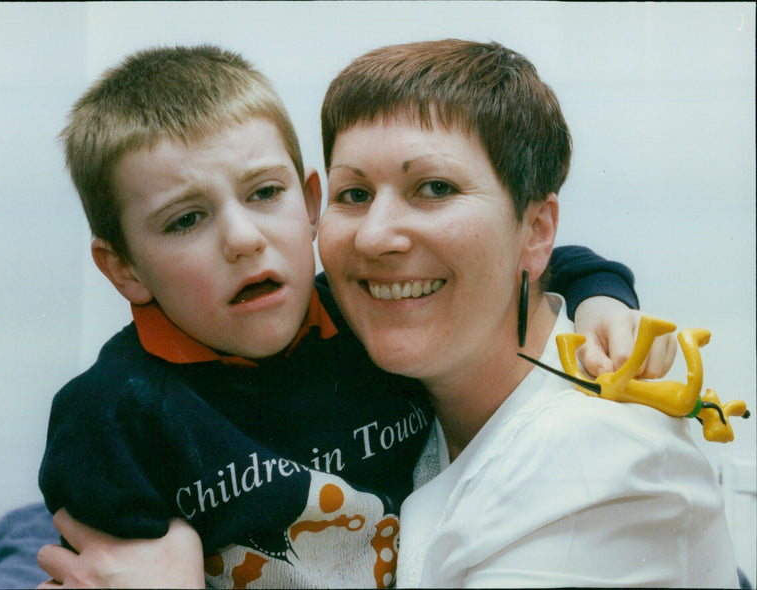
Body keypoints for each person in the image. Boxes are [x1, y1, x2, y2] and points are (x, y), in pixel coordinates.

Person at [32, 44, 665, 589]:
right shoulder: (111, 414)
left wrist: (604, 298)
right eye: (185, 220)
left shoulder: (354, 311)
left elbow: (537, 259)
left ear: (309, 203)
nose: (243, 239)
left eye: (264, 193)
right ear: (124, 270)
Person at [316, 38, 738, 587]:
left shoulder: (605, 464)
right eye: (352, 194)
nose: (373, 237)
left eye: (434, 188)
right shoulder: (404, 383)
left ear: (536, 231)